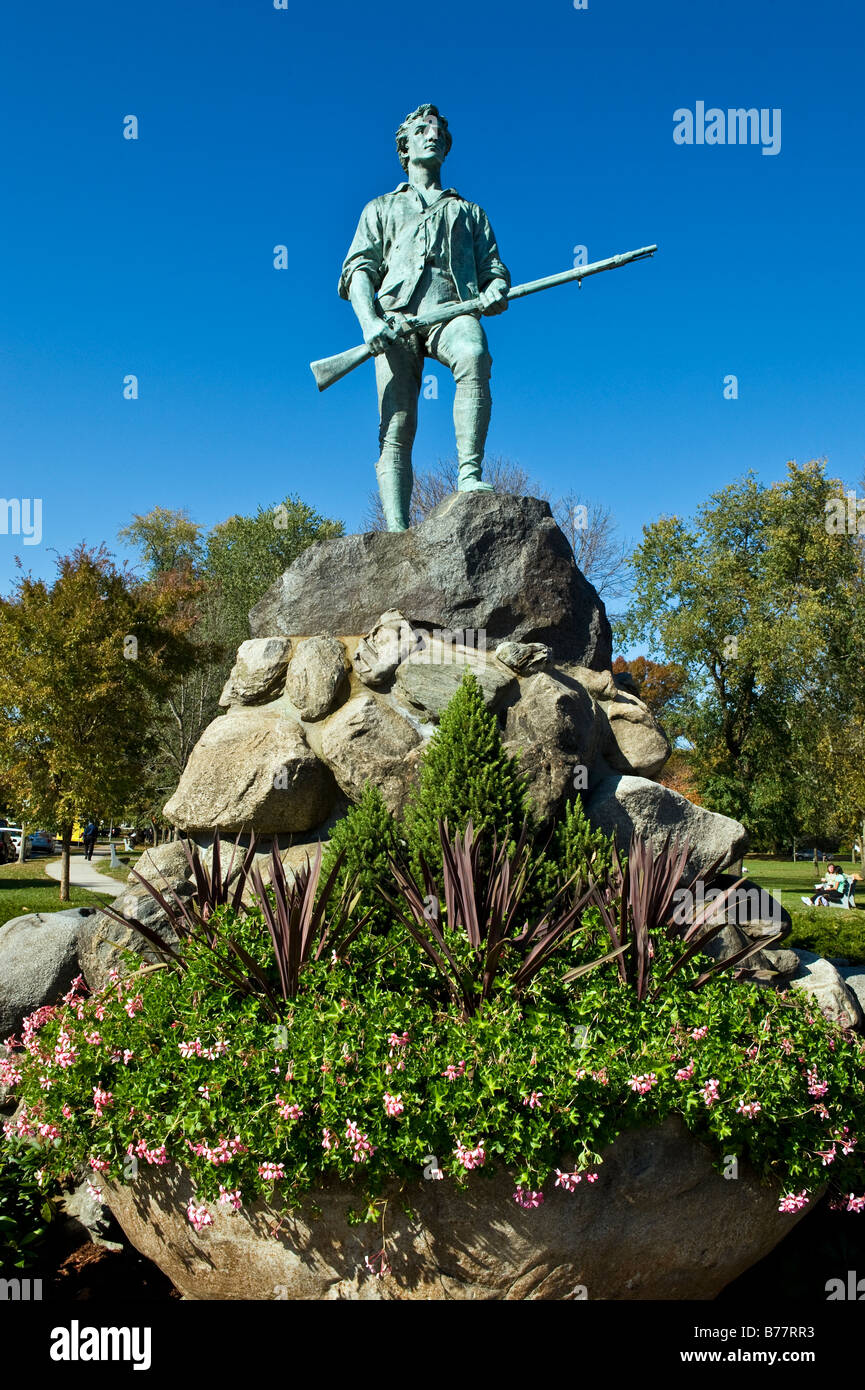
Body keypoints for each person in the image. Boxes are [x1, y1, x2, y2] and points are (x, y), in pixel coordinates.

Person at [339, 104, 510, 531]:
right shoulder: (380, 208)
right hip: (395, 322)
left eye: (437, 130)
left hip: (453, 310)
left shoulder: (470, 212)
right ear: (405, 145)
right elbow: (358, 271)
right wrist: (370, 322)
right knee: (398, 421)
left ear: (447, 147)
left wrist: (496, 289)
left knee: (473, 352)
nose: (430, 135)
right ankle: (396, 529)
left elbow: (494, 270)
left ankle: (469, 475)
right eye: (420, 130)